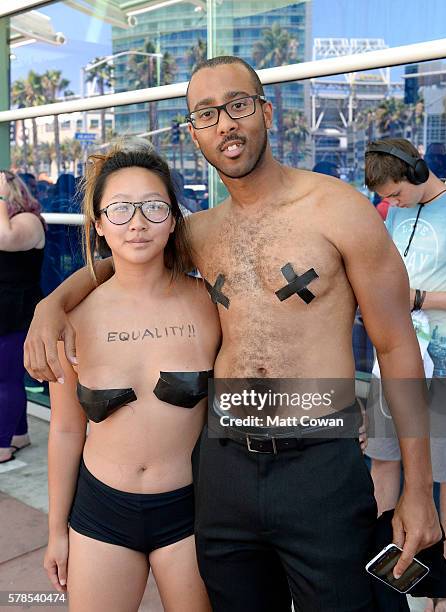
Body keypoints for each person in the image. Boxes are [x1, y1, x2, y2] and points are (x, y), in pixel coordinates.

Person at [26, 57, 441, 611]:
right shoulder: (199, 233)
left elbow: (396, 348)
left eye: (238, 105)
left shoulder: (340, 211)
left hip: (319, 464)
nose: (225, 123)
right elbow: (127, 255)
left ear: (265, 112)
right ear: (194, 131)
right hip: (223, 474)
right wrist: (52, 304)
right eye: (206, 114)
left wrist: (417, 487)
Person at [44, 141, 220, 611]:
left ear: (174, 218)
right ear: (99, 224)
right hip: (101, 510)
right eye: (120, 209)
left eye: (154, 207)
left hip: (190, 509)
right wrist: (56, 531)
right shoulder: (72, 318)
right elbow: (64, 430)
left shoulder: (210, 307)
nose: (137, 222)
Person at [364, 138, 446, 612]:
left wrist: (420, 300)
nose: (392, 204)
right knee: (382, 459)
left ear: (419, 173)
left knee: (445, 474)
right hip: (393, 361)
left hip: (444, 365)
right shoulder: (395, 212)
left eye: (396, 194)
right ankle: (382, 561)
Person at [0, 170, 45, 464]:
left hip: (17, 312)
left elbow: (5, 238)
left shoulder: (27, 221)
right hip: (7, 312)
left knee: (6, 380)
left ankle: (3, 445)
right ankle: (19, 435)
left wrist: (1, 196)